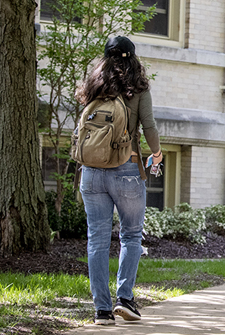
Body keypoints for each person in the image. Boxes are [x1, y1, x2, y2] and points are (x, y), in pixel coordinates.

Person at [77, 36, 162, 325]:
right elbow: (148, 125)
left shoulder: (94, 87)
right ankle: (124, 298)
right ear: (133, 59)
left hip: (91, 171)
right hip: (126, 167)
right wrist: (158, 153)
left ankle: (101, 310)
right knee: (131, 234)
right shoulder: (137, 88)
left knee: (97, 240)